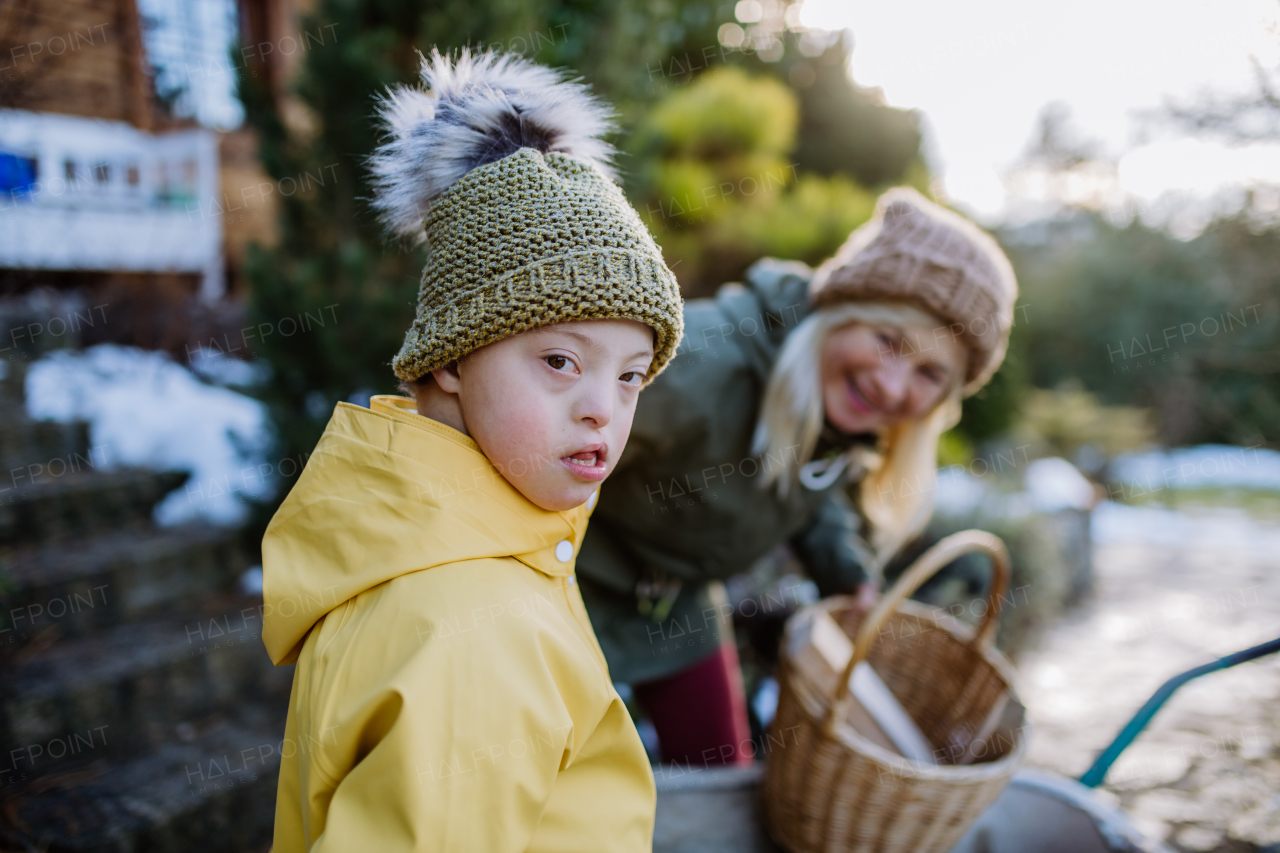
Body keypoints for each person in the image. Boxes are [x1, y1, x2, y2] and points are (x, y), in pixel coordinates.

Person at [260, 50, 684, 852]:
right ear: (452, 358)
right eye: (560, 361)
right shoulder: (473, 629)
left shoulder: (462, 553)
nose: (603, 408)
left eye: (631, 376)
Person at [576, 187, 1018, 768]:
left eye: (930, 372)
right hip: (573, 580)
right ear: (839, 310)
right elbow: (556, 446)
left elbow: (811, 492)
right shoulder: (699, 371)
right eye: (888, 339)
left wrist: (849, 575)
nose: (892, 385)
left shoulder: (835, 410)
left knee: (719, 772)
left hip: (676, 604)